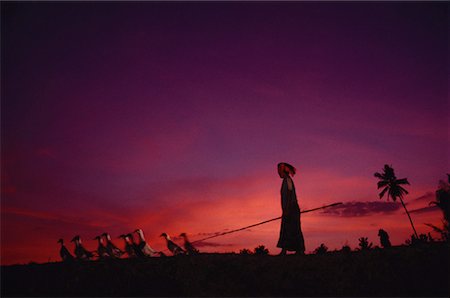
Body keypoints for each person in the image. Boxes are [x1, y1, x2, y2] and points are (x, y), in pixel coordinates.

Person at [276, 162, 305, 255]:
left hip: (291, 208)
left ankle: (298, 250)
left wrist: (287, 209)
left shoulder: (287, 180)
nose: (278, 173)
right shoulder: (286, 180)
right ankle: (287, 250)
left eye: (279, 170)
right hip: (289, 208)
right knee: (287, 228)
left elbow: (288, 194)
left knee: (293, 228)